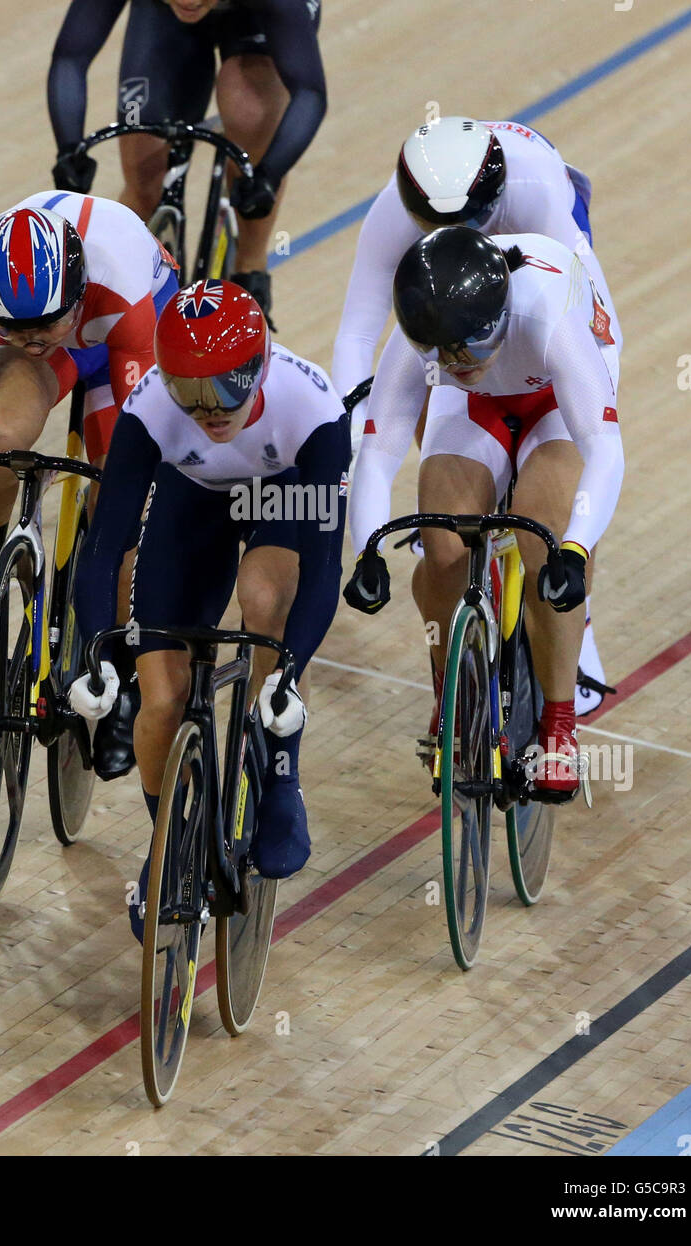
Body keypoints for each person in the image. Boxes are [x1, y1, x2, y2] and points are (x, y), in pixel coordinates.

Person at [69, 279, 349, 937]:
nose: (208, 410)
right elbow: (107, 545)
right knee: (161, 699)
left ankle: (280, 780)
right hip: (192, 498)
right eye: (188, 393)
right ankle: (171, 843)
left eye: (225, 390)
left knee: (263, 600)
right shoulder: (151, 411)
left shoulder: (309, 407)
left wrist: (288, 672)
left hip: (280, 496)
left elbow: (325, 565)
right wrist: (96, 654)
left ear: (259, 367)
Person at [332, 115, 619, 713]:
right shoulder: (395, 220)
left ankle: (572, 632)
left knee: (548, 512)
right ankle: (458, 626)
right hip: (457, 321)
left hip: (548, 322)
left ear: (490, 203)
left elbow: (596, 332)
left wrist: (576, 545)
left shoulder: (534, 190)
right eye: (433, 225)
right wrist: (366, 520)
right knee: (443, 519)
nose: (451, 232)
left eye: (463, 222)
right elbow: (360, 338)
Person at [0, 193, 178, 771]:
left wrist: (122, 491)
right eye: (11, 328)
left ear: (71, 290)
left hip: (126, 334)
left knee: (122, 488)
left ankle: (120, 670)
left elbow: (141, 437)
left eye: (43, 324)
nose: (30, 340)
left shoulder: (117, 275)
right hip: (74, 330)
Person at [343, 227, 624, 802]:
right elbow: (377, 457)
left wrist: (576, 548)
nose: (459, 361)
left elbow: (605, 451)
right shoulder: (421, 345)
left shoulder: (545, 313)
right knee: (443, 542)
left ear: (499, 314)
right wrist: (367, 550)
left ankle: (559, 724)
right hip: (472, 408)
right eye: (443, 352)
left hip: (554, 395)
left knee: (547, 530)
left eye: (471, 344)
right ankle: (453, 702)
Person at [48, 0, 326, 322]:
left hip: (255, 16)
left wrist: (269, 176)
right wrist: (68, 149)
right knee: (143, 172)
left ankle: (251, 268)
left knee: (248, 116)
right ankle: (113, 286)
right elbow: (71, 56)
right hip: (161, 17)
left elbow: (310, 91)